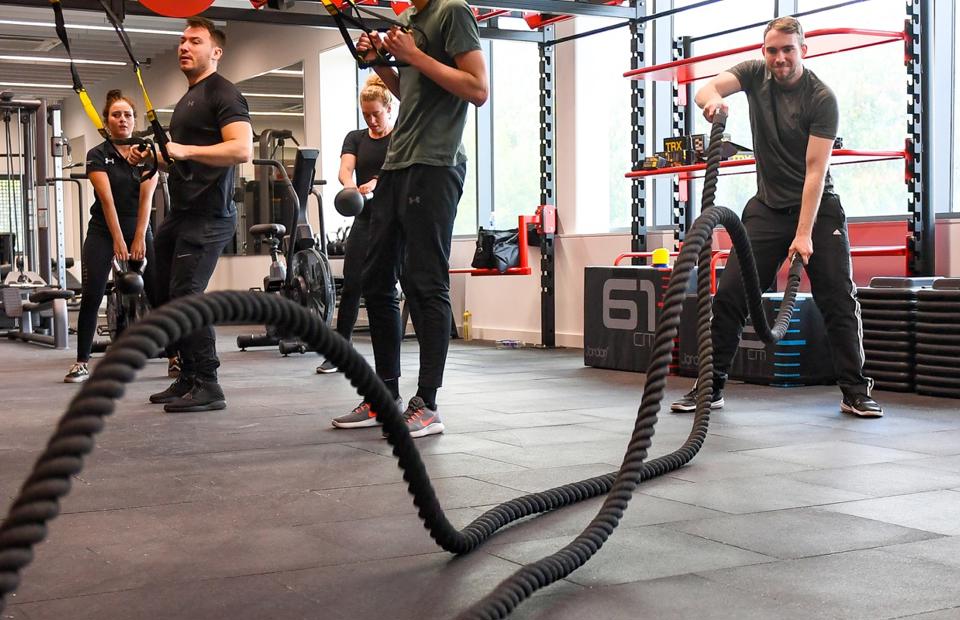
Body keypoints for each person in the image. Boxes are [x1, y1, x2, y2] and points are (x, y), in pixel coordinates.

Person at [670, 16, 883, 418]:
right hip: (767, 208)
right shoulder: (754, 74)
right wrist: (712, 101)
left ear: (803, 49)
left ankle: (855, 391)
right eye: (772, 50)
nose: (780, 58)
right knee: (731, 293)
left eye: (788, 49)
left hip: (817, 210)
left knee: (837, 297)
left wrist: (804, 234)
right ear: (764, 51)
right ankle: (710, 387)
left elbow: (815, 172)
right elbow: (706, 88)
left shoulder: (821, 98)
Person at [330, 0, 488, 437]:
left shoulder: (452, 11)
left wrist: (414, 55)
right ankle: (384, 393)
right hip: (397, 165)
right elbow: (412, 94)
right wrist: (380, 63)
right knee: (376, 279)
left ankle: (428, 403)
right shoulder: (406, 21)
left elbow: (477, 90)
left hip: (436, 164)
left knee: (425, 283)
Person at [134, 17, 253, 412]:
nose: (184, 47)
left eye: (195, 41)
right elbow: (182, 163)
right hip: (181, 212)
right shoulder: (188, 99)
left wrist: (184, 150)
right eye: (182, 41)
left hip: (210, 215)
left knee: (187, 295)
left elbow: (240, 150)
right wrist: (156, 157)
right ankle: (187, 375)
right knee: (163, 293)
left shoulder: (225, 93)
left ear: (215, 51)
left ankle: (209, 382)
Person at [64, 90, 159, 383]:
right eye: (116, 115)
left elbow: (147, 201)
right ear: (107, 121)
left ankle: (175, 357)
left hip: (139, 225)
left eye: (127, 115)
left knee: (158, 294)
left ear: (134, 120)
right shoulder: (98, 155)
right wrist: (118, 239)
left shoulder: (146, 153)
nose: (122, 120)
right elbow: (106, 201)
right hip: (104, 229)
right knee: (92, 293)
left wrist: (139, 236)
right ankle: (82, 362)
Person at [317, 74, 394, 378]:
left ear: (389, 109)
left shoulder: (400, 136)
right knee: (352, 284)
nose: (372, 120)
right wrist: (351, 187)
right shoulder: (356, 137)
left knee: (396, 285)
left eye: (376, 113)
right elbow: (345, 169)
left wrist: (377, 181)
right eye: (366, 115)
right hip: (365, 218)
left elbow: (392, 170)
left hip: (393, 218)